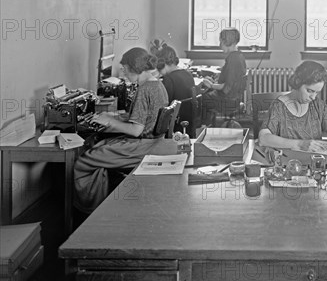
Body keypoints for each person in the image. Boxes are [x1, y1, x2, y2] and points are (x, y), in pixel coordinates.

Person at [74, 47, 177, 213]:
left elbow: (136, 130)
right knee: (100, 147)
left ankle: (89, 210)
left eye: (125, 69)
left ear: (134, 69)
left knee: (85, 160)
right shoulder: (157, 84)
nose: (124, 73)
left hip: (141, 146)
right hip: (153, 143)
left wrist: (109, 122)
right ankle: (101, 200)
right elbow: (145, 117)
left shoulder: (144, 89)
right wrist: (114, 117)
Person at [259, 60, 327, 153]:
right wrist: (300, 144)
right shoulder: (279, 106)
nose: (313, 97)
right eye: (310, 91)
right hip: (289, 163)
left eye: (317, 92)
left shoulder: (317, 105)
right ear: (298, 82)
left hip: (315, 162)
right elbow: (263, 139)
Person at [199, 28, 247, 124]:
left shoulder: (233, 60)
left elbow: (226, 86)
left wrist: (211, 85)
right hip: (234, 99)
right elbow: (231, 80)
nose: (219, 45)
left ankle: (203, 127)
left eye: (221, 41)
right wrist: (214, 80)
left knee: (201, 98)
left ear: (227, 42)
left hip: (228, 101)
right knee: (207, 93)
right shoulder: (239, 56)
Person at [152, 41, 195, 132]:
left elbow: (163, 104)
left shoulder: (169, 79)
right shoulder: (187, 74)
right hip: (187, 121)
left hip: (175, 123)